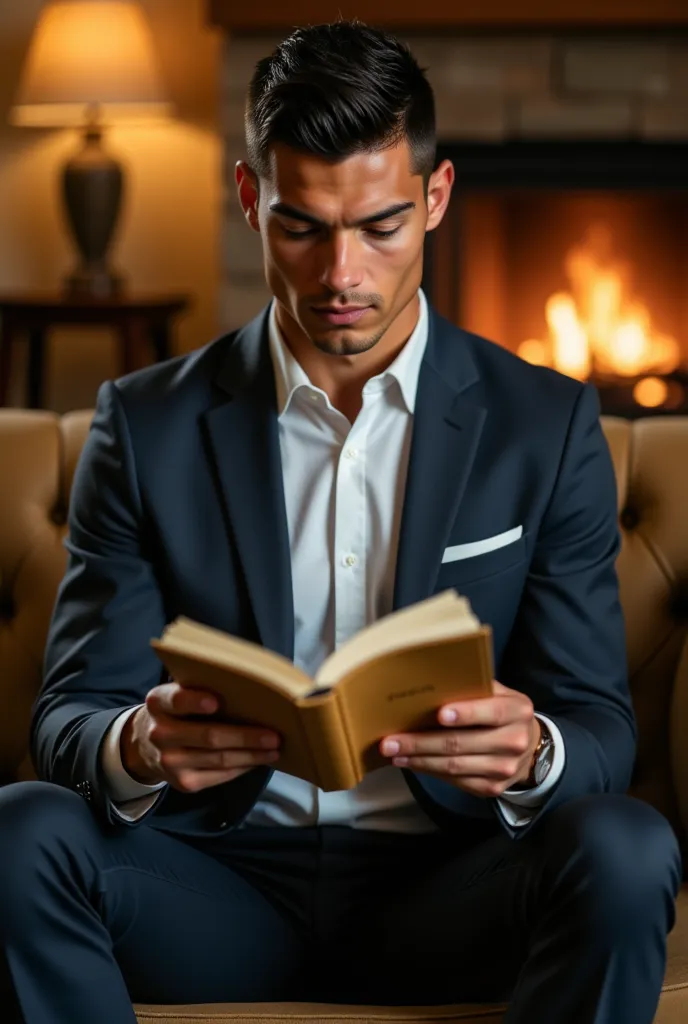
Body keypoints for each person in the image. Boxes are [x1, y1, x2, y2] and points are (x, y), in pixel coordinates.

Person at [0, 19, 680, 1024]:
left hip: (448, 888)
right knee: (18, 832)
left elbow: (601, 732)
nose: (341, 276)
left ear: (437, 198)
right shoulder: (143, 424)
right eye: (301, 227)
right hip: (209, 883)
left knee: (628, 845)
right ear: (249, 200)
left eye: (381, 226)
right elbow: (65, 721)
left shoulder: (547, 423)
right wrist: (138, 744)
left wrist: (530, 751)